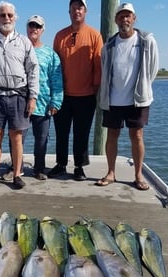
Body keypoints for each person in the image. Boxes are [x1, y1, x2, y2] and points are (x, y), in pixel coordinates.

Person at [96, 3, 159, 190]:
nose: (124, 19)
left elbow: (153, 69)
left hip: (137, 99)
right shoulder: (108, 45)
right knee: (112, 135)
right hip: (113, 99)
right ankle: (111, 173)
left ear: (134, 18)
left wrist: (143, 89)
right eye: (121, 16)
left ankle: (138, 175)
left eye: (128, 16)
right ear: (115, 20)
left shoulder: (147, 40)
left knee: (137, 135)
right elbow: (105, 69)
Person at [0, 1, 39, 189]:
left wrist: (33, 97)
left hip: (18, 96)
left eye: (10, 15)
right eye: (3, 15)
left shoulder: (24, 42)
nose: (6, 18)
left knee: (16, 136)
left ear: (15, 18)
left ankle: (17, 174)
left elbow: (33, 70)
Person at [47, 0, 103, 181]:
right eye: (73, 8)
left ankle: (79, 166)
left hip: (86, 96)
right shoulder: (60, 35)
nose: (76, 11)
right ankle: (61, 163)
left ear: (85, 11)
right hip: (63, 95)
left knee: (82, 133)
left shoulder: (94, 35)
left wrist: (95, 88)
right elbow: (54, 64)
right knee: (61, 132)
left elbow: (98, 65)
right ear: (69, 11)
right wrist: (54, 91)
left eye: (80, 7)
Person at [3, 15, 63, 181]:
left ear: (42, 30)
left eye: (37, 26)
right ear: (26, 27)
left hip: (43, 104)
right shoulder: (17, 48)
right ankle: (16, 167)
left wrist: (56, 102)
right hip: (19, 101)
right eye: (31, 25)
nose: (34, 29)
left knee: (41, 139)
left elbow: (56, 80)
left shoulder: (51, 54)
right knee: (16, 137)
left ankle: (39, 168)